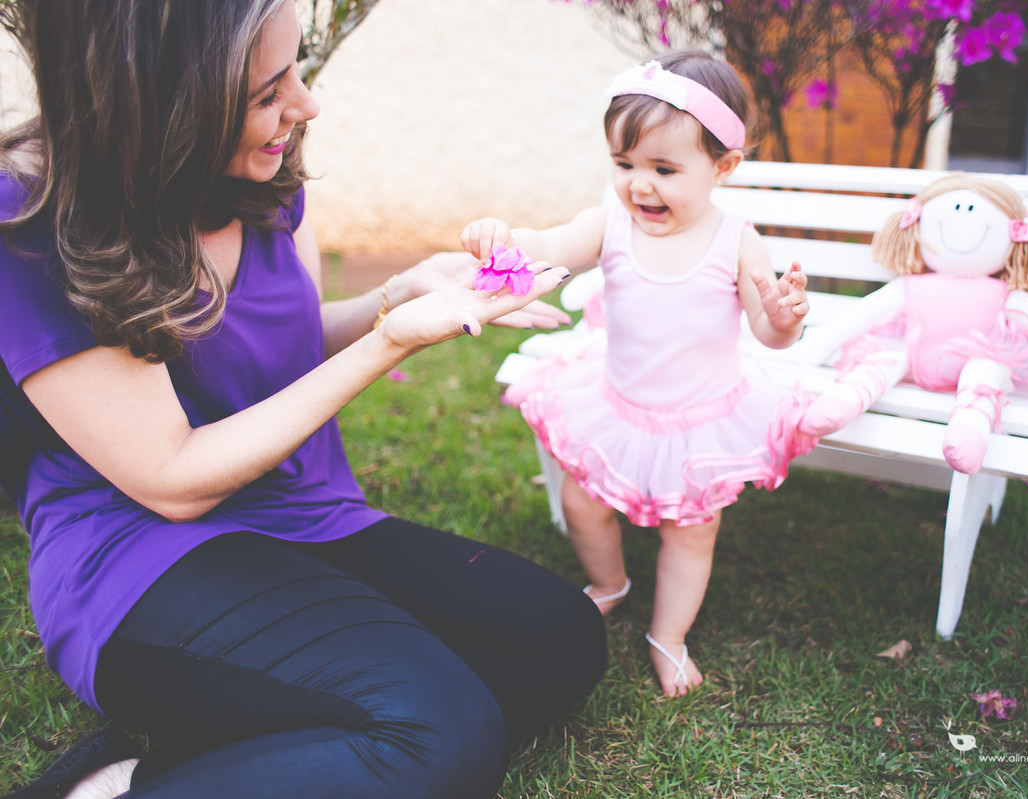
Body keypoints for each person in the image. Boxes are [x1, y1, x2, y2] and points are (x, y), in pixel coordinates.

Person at [0, 1, 606, 797]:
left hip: (295, 513)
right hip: (138, 555)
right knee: (442, 734)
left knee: (557, 636)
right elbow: (172, 476)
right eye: (266, 92)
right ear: (165, 101)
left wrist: (397, 295)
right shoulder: (33, 221)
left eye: (297, 67)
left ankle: (180, 761)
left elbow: (286, 343)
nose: (305, 104)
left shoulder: (258, 173)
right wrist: (395, 340)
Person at [460, 50, 816, 698]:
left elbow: (766, 331)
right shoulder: (612, 225)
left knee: (692, 530)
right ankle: (609, 582)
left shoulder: (736, 239)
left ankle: (668, 635)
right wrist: (506, 236)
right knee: (581, 501)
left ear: (723, 166)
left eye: (664, 168)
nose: (639, 185)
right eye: (624, 165)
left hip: (700, 418)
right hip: (618, 404)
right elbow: (550, 244)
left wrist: (783, 319)